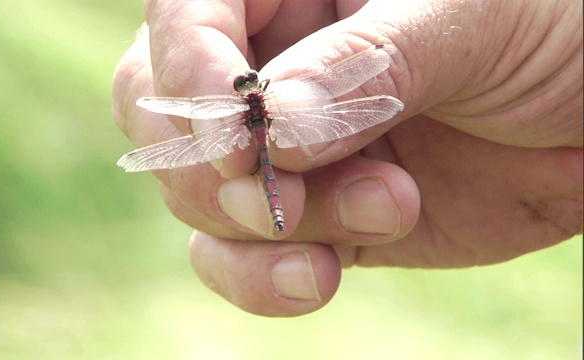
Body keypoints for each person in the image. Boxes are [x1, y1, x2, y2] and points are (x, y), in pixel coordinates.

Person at [112, 0, 583, 317]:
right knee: (248, 191)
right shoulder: (267, 100)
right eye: (245, 83)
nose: (248, 84)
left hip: (266, 149)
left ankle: (273, 214)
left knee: (253, 188)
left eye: (247, 83)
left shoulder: (239, 107)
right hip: (282, 145)